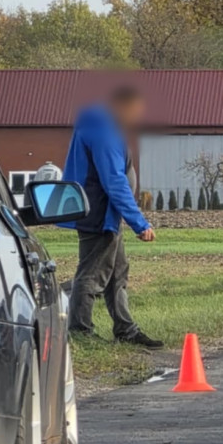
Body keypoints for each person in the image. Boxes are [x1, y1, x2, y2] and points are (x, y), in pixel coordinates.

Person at [63, 85, 164, 348]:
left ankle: (126, 330)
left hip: (105, 213)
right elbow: (114, 180)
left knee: (117, 273)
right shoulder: (104, 130)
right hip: (98, 213)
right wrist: (139, 223)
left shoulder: (102, 125)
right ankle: (80, 332)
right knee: (91, 274)